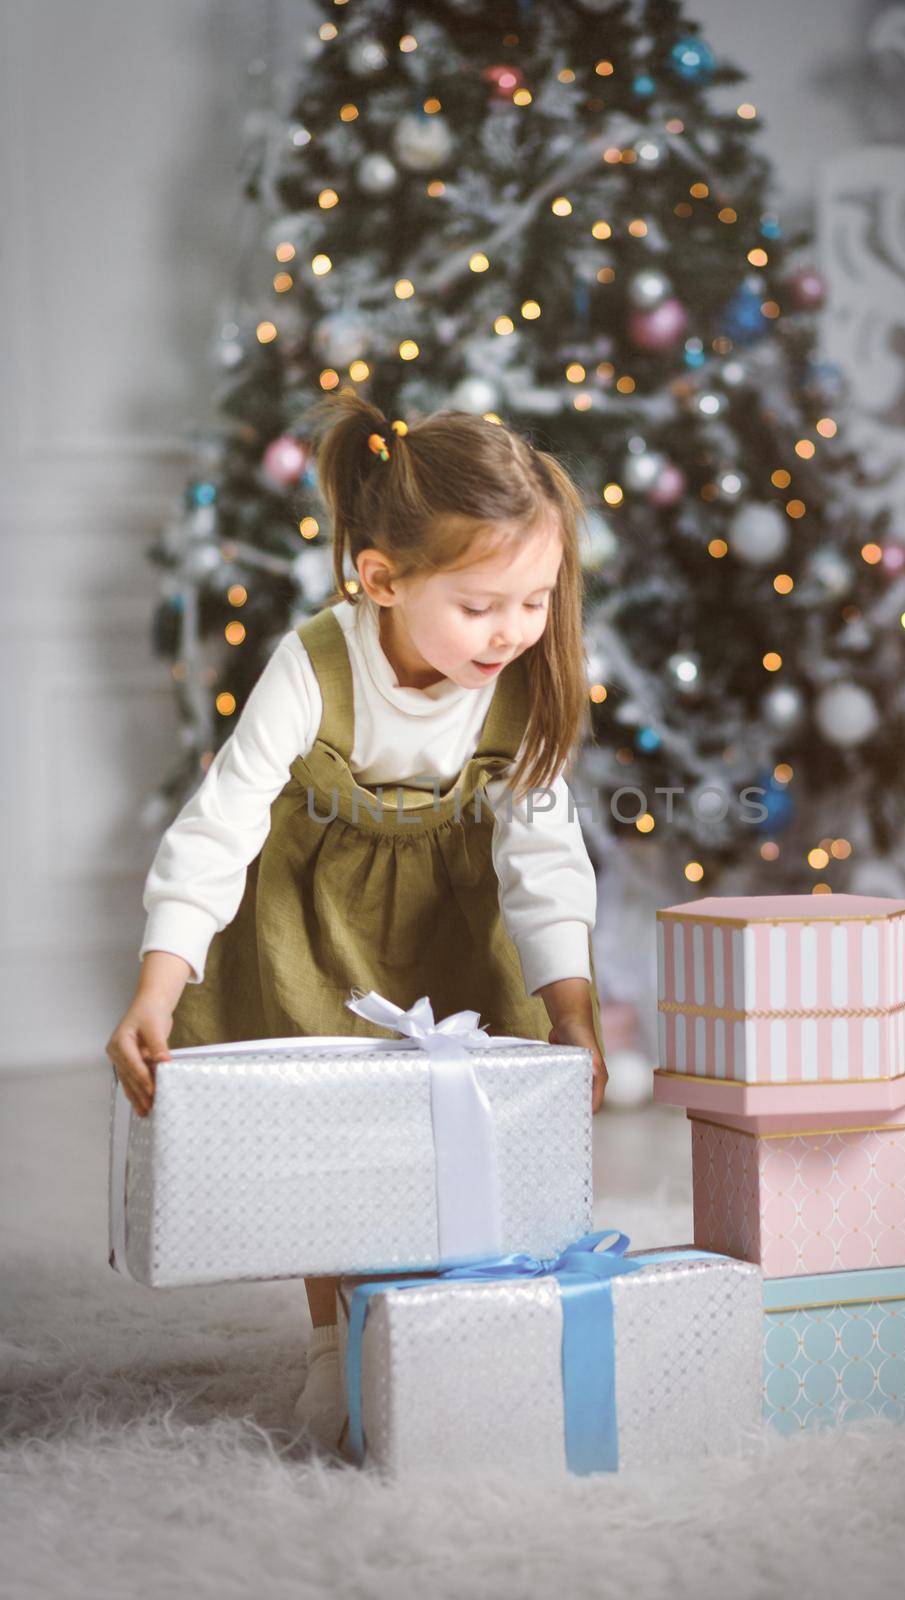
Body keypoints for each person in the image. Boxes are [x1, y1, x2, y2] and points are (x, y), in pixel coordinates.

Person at [105, 392, 610, 1447]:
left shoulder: (523, 684)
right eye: (480, 606)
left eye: (534, 600)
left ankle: (437, 1338)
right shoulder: (313, 662)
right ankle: (329, 1346)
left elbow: (543, 855)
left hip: (447, 927)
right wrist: (160, 979)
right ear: (381, 579)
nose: (513, 631)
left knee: (450, 1147)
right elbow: (222, 821)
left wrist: (571, 1005)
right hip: (315, 930)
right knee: (329, 1155)